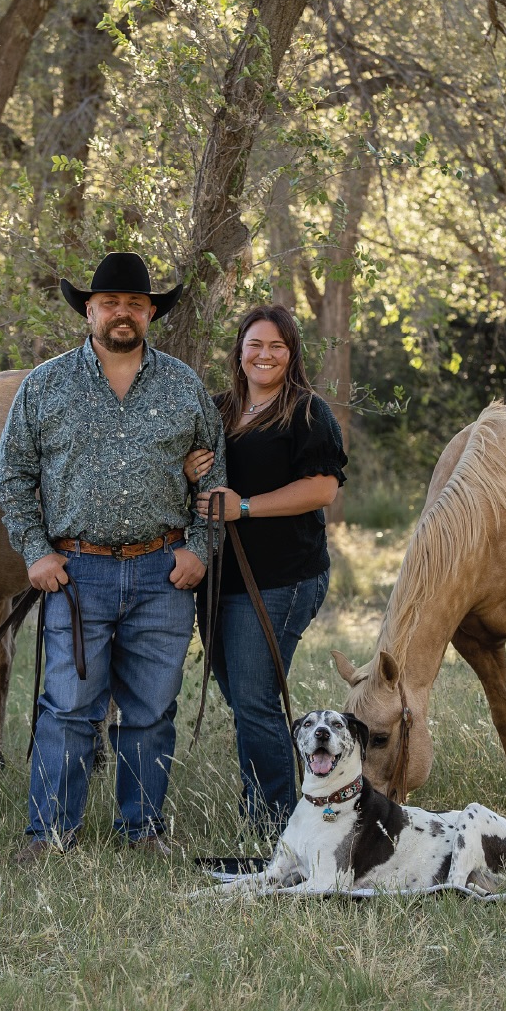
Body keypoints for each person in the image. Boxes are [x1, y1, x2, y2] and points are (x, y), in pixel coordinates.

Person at [0, 251, 226, 858]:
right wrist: (36, 553)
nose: (123, 313)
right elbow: (11, 474)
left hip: (162, 571)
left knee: (151, 709)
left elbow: (214, 479)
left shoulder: (183, 386)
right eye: (111, 303)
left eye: (136, 304)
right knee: (68, 707)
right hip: (75, 572)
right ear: (89, 311)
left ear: (151, 313)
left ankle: (143, 832)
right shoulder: (45, 386)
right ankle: (50, 835)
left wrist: (198, 549)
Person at [187, 304, 346, 834]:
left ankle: (277, 824)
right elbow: (193, 471)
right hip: (221, 580)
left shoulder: (306, 413)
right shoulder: (217, 410)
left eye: (277, 346)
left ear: (291, 353)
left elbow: (323, 488)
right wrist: (189, 467)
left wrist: (246, 506)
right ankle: (271, 805)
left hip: (283, 577)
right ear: (239, 350)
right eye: (255, 344)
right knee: (241, 695)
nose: (265, 355)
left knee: (255, 700)